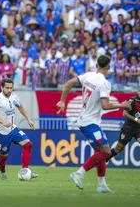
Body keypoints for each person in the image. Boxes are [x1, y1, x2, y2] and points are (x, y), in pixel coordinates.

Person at [56, 55, 131, 193]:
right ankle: (79, 173)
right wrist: (121, 105)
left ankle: (101, 185)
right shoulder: (104, 83)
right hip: (90, 123)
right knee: (107, 152)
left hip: (86, 120)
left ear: (97, 65)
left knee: (100, 152)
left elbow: (68, 84)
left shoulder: (88, 75)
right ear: (109, 67)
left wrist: (62, 101)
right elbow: (105, 105)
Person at [0, 78, 37, 180]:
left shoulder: (14, 96)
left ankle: (25, 171)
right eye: (7, 88)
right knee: (4, 156)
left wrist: (28, 119)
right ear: (2, 88)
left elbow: (20, 107)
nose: (9, 90)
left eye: (11, 88)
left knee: (28, 144)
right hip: (1, 132)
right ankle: (2, 171)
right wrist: (2, 122)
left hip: (12, 128)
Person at [107, 89, 140, 163]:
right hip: (129, 127)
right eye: (139, 91)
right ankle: (104, 159)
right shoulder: (132, 100)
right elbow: (124, 113)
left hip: (139, 128)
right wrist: (135, 119)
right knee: (118, 148)